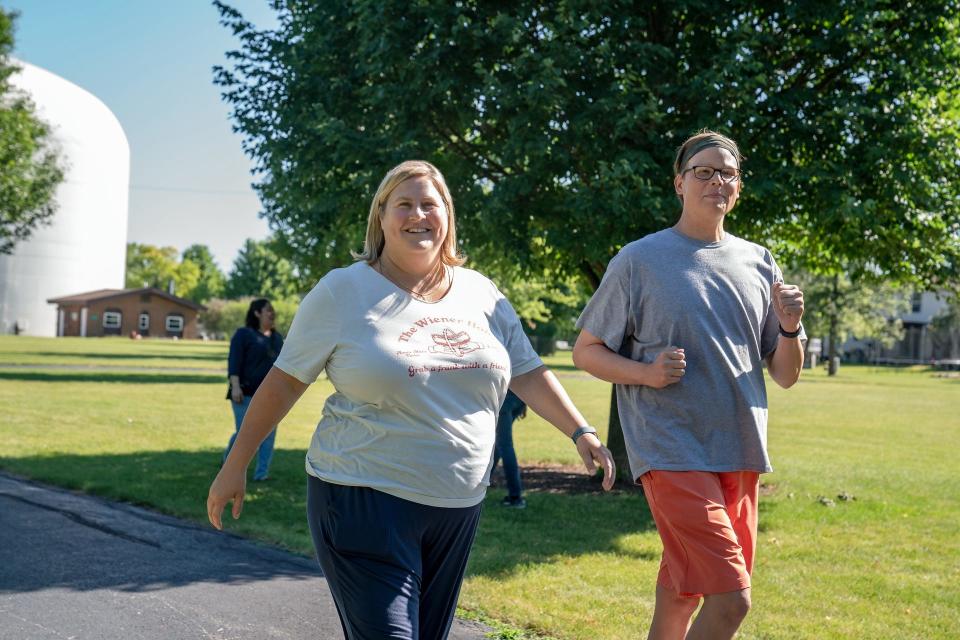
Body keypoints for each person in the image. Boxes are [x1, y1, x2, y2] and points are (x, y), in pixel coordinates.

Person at [207, 160, 616, 640]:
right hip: (362, 498)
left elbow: (526, 371)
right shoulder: (344, 290)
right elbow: (284, 382)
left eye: (430, 204)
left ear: (448, 216)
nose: (417, 215)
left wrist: (581, 431)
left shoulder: (482, 293)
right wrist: (236, 463)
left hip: (457, 506)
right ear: (380, 217)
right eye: (403, 204)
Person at [572, 130, 805, 640]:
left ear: (738, 188)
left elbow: (786, 373)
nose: (716, 180)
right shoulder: (639, 260)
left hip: (741, 450)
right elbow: (585, 351)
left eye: (727, 173)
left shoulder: (759, 261)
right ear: (679, 183)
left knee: (682, 593)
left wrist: (788, 327)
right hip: (672, 449)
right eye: (704, 171)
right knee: (732, 601)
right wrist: (646, 373)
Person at [223, 298, 283, 482]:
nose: (272, 313)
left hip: (270, 397)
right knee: (244, 433)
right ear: (257, 313)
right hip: (244, 393)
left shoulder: (277, 338)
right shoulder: (243, 334)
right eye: (268, 310)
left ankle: (261, 474)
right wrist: (235, 386)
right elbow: (234, 361)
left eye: (273, 310)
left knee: (269, 433)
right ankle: (228, 466)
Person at [492, 389, 527, 508]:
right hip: (519, 398)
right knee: (499, 443)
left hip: (505, 401)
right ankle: (482, 482)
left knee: (504, 445)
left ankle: (515, 497)